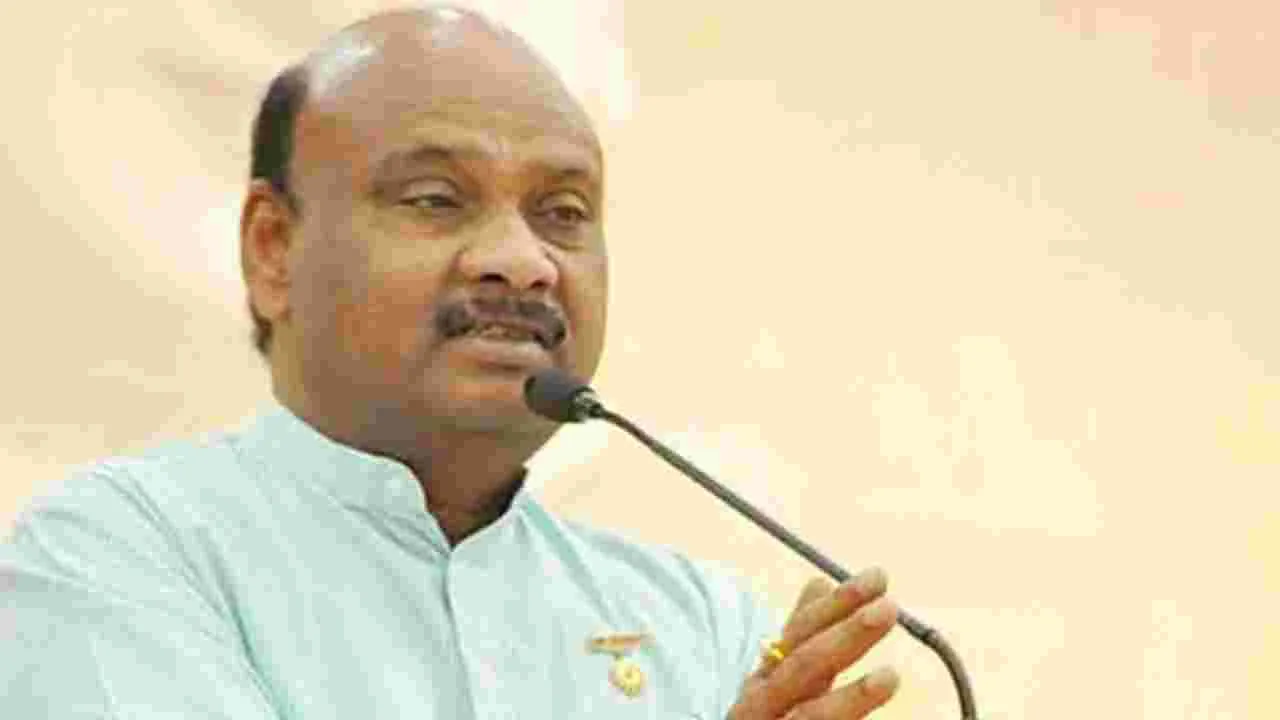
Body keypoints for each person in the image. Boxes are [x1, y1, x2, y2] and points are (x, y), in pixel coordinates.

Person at [0, 6, 901, 718]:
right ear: (274, 250)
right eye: (436, 199)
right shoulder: (115, 552)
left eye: (563, 213)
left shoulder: (704, 623)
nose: (524, 261)